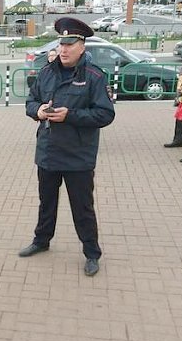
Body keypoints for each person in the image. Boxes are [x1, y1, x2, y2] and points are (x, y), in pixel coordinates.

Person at [19, 17, 115, 276]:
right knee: (45, 202)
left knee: (82, 207)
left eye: (70, 44)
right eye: (61, 44)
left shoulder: (94, 77)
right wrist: (37, 111)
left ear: (82, 46)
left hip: (78, 157)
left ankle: (92, 253)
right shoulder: (47, 72)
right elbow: (31, 101)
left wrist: (70, 115)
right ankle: (41, 241)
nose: (64, 49)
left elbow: (105, 115)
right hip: (48, 152)